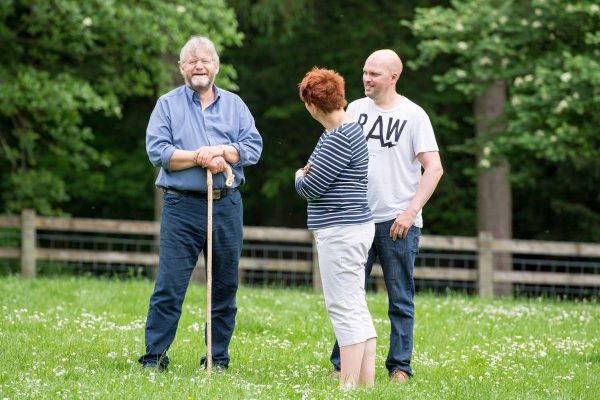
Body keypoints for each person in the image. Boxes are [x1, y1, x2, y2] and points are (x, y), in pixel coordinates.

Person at [139, 36, 263, 372]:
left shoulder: (235, 105)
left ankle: (217, 358)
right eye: (191, 60)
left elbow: (252, 149)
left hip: (226, 205)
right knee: (170, 285)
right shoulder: (167, 105)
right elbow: (159, 153)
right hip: (182, 207)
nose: (199, 65)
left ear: (216, 66)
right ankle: (154, 357)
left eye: (205, 59)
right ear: (181, 68)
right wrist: (199, 157)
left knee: (224, 285)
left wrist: (219, 152)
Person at [329, 49, 443, 383]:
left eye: (374, 74)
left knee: (400, 299)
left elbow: (434, 168)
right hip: (357, 219)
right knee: (349, 296)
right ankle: (341, 366)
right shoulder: (354, 110)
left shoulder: (414, 115)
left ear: (393, 76)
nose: (366, 78)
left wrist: (410, 213)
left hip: (397, 222)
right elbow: (339, 155)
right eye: (365, 72)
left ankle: (399, 368)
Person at [295, 67, 377, 388]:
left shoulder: (338, 137)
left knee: (343, 308)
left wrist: (299, 176)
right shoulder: (338, 133)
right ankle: (366, 386)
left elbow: (311, 184)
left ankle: (349, 385)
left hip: (342, 231)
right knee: (355, 305)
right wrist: (307, 174)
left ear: (312, 106)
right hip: (350, 227)